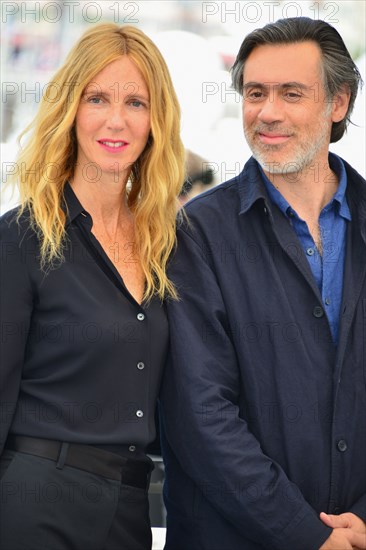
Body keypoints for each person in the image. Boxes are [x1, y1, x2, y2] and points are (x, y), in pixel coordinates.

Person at [160, 17, 366, 550]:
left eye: (291, 93)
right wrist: (308, 537)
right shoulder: (197, 233)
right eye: (256, 93)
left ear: (338, 103)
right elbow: (199, 414)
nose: (267, 112)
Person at [0, 23, 184, 550]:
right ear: (69, 109)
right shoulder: (22, 239)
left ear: (157, 120)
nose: (116, 120)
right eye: (97, 98)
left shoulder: (168, 245)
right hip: (35, 503)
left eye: (136, 102)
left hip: (128, 509)